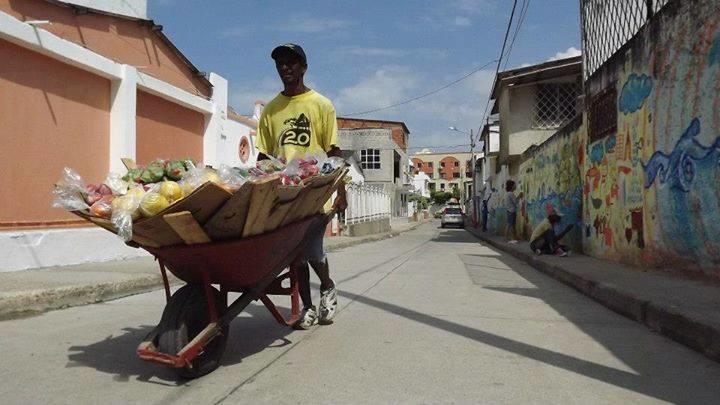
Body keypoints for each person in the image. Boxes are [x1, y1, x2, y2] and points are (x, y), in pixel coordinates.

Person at [256, 43, 347, 329]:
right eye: (280, 63)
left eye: (292, 62)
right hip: (286, 191)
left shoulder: (321, 104)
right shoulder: (271, 110)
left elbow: (333, 152)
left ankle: (328, 287)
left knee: (311, 249)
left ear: (304, 67)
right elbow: (263, 156)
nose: (286, 68)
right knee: (295, 254)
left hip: (315, 189)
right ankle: (307, 306)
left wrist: (340, 191)